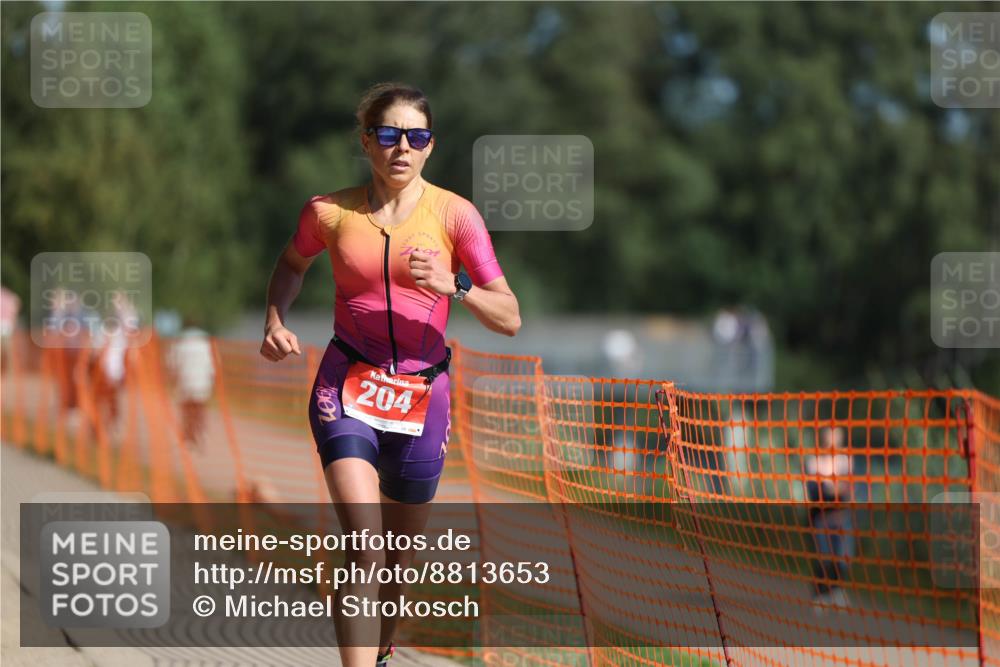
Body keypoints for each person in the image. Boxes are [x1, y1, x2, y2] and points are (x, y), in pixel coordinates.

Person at [260, 82, 520, 667]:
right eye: (388, 134)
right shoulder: (328, 211)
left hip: (422, 397)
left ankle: (381, 649)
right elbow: (291, 263)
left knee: (398, 563)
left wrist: (453, 285)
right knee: (364, 549)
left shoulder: (456, 216)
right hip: (347, 384)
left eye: (417, 136)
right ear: (367, 142)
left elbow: (510, 316)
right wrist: (276, 318)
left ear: (431, 147)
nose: (402, 147)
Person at [803, 426, 854, 614]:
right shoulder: (813, 462)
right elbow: (815, 492)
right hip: (820, 517)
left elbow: (846, 489)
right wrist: (832, 490)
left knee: (842, 557)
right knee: (823, 557)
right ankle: (820, 595)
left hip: (841, 517)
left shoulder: (844, 461)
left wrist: (833, 490)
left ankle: (837, 592)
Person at [168, 317, 215, 451]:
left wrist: (173, 377)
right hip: (202, 381)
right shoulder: (205, 342)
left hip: (185, 380)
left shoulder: (180, 341)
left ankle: (189, 437)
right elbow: (213, 365)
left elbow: (172, 363)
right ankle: (201, 435)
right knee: (200, 410)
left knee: (187, 411)